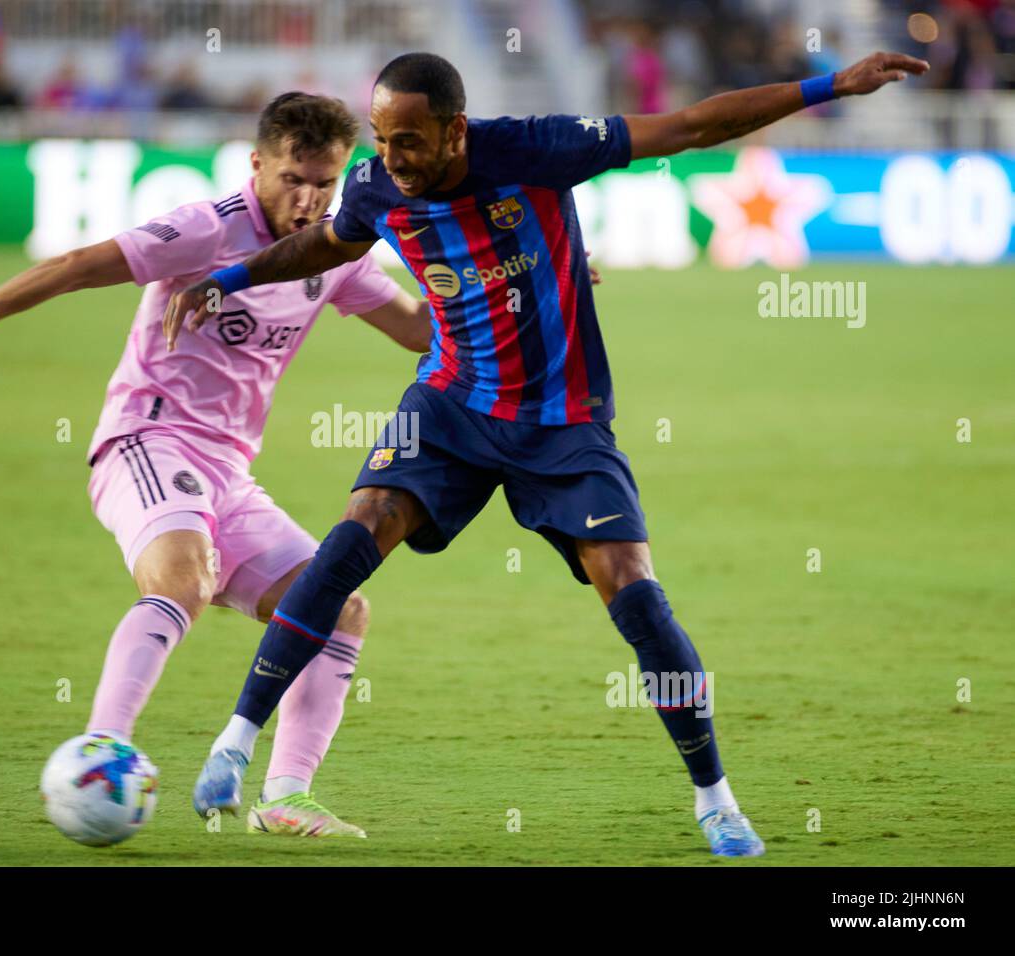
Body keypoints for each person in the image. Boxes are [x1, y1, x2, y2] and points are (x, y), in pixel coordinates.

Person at [164, 49, 930, 857]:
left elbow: (693, 126)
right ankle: (236, 740)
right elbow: (332, 242)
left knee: (632, 590)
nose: (393, 161)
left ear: (456, 130)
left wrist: (827, 87)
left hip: (562, 421)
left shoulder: (537, 148)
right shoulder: (375, 184)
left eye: (411, 142)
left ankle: (715, 798)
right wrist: (233, 277)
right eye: (383, 140)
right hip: (452, 404)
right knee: (355, 534)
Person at [0, 92, 436, 838]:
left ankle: (285, 796)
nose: (308, 200)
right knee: (183, 579)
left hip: (228, 474)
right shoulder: (204, 230)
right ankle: (101, 750)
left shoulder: (332, 253)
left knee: (340, 609)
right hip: (146, 440)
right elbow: (78, 265)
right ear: (257, 163)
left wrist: (525, 297)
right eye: (293, 179)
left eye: (325, 184)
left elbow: (417, 329)